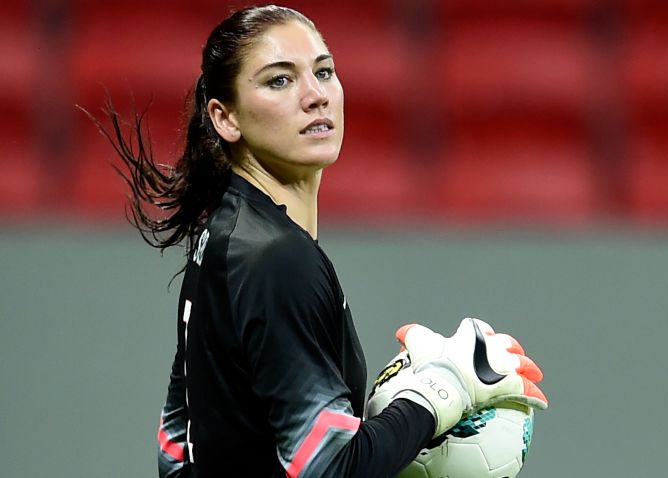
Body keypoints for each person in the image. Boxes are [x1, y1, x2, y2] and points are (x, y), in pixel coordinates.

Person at [93, 5, 547, 477]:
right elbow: (327, 467)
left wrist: (396, 433)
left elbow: (174, 448)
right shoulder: (276, 259)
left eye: (324, 72)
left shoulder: (224, 235)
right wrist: (446, 386)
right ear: (225, 119)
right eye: (279, 80)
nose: (315, 96)